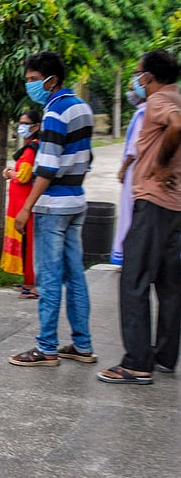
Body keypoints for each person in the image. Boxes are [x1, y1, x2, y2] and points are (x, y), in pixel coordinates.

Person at [98, 49, 181, 385]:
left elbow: (176, 125)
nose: (136, 80)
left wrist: (160, 164)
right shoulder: (176, 97)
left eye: (138, 74)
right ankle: (164, 356)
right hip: (174, 206)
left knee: (133, 280)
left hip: (153, 203)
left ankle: (136, 362)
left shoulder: (161, 101)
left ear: (149, 77)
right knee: (170, 284)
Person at [9, 51, 96, 367]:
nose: (30, 85)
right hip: (76, 201)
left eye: (33, 80)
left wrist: (26, 209)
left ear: (51, 80)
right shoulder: (83, 108)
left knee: (48, 277)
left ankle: (46, 347)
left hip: (53, 206)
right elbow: (87, 159)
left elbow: (45, 168)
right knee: (75, 276)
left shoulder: (55, 112)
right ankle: (82, 344)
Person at [0, 110, 41, 299]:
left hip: (25, 203)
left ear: (36, 126)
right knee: (24, 242)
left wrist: (10, 174)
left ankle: (31, 285)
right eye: (20, 122)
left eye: (25, 123)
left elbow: (25, 176)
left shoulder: (33, 147)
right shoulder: (29, 145)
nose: (21, 126)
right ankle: (26, 280)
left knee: (28, 243)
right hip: (20, 201)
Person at [110, 87, 148, 265]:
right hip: (143, 171)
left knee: (129, 213)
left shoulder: (143, 114)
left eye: (133, 87)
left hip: (135, 171)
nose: (130, 91)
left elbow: (133, 148)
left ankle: (129, 258)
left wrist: (123, 169)